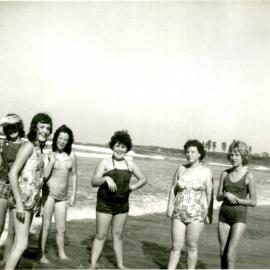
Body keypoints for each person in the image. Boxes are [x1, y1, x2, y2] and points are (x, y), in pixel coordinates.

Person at [90, 130, 147, 269]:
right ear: (112, 146)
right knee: (100, 235)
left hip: (122, 205)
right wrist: (106, 178)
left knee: (118, 235)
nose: (120, 149)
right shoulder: (105, 162)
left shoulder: (130, 164)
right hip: (105, 204)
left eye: (123, 147)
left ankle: (120, 265)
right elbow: (94, 181)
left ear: (127, 149)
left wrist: (132, 187)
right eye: (117, 145)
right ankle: (92, 265)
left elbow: (144, 179)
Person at [4, 113, 53, 270]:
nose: (45, 131)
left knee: (19, 244)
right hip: (22, 203)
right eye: (42, 127)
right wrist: (18, 204)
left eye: (48, 128)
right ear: (34, 128)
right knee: (22, 244)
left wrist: (50, 164)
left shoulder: (39, 149)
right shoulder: (29, 146)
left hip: (30, 204)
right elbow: (12, 173)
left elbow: (37, 180)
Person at [167, 139, 213, 269]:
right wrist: (169, 208)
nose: (189, 154)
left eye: (193, 152)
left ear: (199, 154)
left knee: (192, 246)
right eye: (187, 152)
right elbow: (172, 189)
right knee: (176, 246)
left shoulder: (206, 171)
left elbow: (209, 194)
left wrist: (209, 214)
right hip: (178, 214)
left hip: (197, 215)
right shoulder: (181, 169)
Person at [39, 125, 77, 263]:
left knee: (61, 228)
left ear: (68, 141)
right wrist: (52, 161)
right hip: (49, 194)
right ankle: (41, 254)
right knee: (46, 226)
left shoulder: (71, 155)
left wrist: (73, 194)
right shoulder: (48, 154)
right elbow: (44, 175)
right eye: (60, 138)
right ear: (56, 139)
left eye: (65, 139)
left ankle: (61, 254)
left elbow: (74, 175)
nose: (62, 141)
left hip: (62, 197)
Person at [217, 140, 256, 269]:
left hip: (239, 218)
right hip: (223, 216)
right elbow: (218, 196)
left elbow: (253, 201)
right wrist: (226, 195)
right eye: (232, 155)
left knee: (230, 254)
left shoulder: (249, 176)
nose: (233, 158)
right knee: (223, 253)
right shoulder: (224, 173)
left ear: (243, 156)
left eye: (237, 155)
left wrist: (237, 199)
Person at [0, 114, 25, 264]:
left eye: (15, 125)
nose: (12, 129)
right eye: (8, 126)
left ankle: (6, 261)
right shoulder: (2, 144)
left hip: (20, 189)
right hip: (3, 185)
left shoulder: (26, 145)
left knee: (12, 231)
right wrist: (4, 121)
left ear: (20, 127)